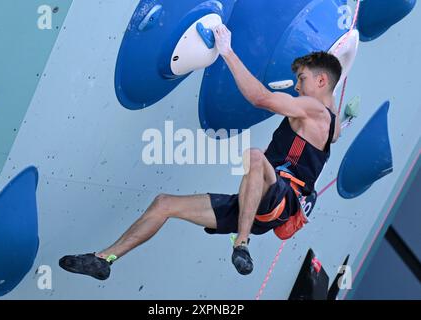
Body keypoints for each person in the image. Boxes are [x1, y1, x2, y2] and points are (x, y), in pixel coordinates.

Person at [59, 24, 341, 280]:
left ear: (321, 82)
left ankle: (241, 245)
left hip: (281, 199)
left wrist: (227, 51)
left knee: (255, 157)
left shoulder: (314, 109)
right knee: (163, 204)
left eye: (301, 79)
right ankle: (105, 259)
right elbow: (333, 130)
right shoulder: (333, 125)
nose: (296, 85)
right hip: (256, 205)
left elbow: (261, 98)